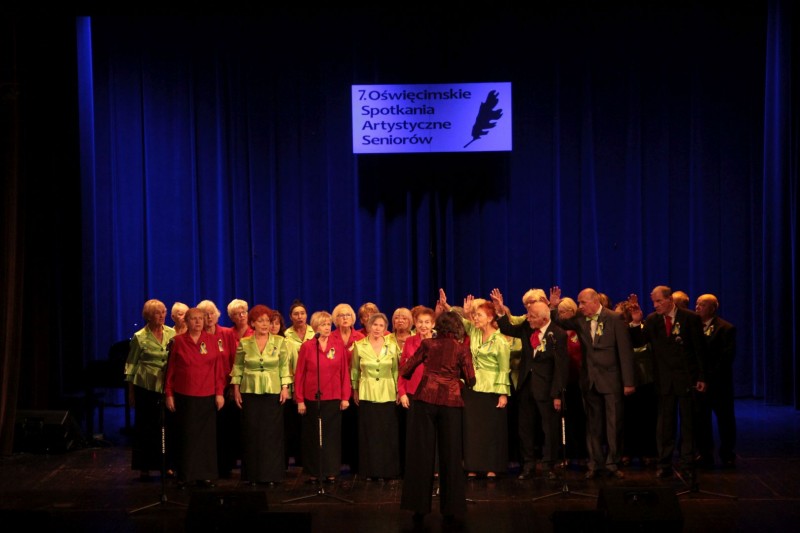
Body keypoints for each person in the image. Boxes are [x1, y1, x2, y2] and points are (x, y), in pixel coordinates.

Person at [549, 286, 636, 479]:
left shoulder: (614, 318)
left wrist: (628, 381)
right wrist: (553, 306)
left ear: (595, 301)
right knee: (592, 425)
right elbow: (560, 322)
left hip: (611, 380)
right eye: (578, 303)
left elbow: (625, 351)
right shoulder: (580, 319)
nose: (579, 306)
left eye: (583, 302)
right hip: (589, 380)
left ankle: (612, 463)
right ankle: (594, 463)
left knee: (614, 424)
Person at [399, 310, 476, 526]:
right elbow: (471, 380)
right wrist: (456, 379)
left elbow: (406, 370)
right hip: (451, 403)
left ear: (438, 327)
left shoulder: (428, 344)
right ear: (457, 328)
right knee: (451, 454)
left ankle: (418, 509)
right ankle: (451, 509)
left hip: (425, 400)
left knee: (421, 453)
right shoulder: (461, 348)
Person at [628, 286, 708, 479]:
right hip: (663, 380)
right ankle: (664, 463)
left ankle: (687, 463)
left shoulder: (690, 318)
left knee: (688, 423)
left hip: (686, 379)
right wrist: (636, 322)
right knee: (665, 424)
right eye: (653, 302)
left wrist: (702, 377)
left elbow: (700, 350)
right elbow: (639, 342)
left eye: (659, 301)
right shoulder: (653, 320)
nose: (655, 305)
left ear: (670, 299)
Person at [491, 289, 568, 481]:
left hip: (547, 389)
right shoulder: (527, 327)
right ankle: (528, 465)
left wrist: (557, 394)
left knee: (549, 429)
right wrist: (500, 311)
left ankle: (548, 465)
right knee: (525, 428)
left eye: (532, 316)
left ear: (544, 319)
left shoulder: (557, 334)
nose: (528, 318)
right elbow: (508, 329)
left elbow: (560, 368)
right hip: (526, 386)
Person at [442, 289, 511, 479]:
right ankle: (473, 465)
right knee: (472, 428)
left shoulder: (500, 340)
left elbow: (504, 369)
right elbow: (460, 321)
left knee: (490, 429)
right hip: (472, 387)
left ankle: (491, 466)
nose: (475, 318)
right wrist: (448, 306)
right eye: (474, 315)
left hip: (492, 389)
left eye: (479, 315)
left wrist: (503, 393)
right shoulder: (474, 331)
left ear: (490, 318)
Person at [229, 304, 292, 485]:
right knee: (252, 433)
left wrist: (285, 387)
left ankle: (272, 475)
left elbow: (284, 366)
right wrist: (236, 389)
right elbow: (238, 367)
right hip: (250, 392)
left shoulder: (279, 342)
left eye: (267, 321)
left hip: (273, 392)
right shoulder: (245, 343)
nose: (265, 324)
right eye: (260, 321)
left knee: (271, 434)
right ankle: (253, 476)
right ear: (252, 323)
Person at [164, 307, 226, 489]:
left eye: (201, 318)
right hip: (185, 396)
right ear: (186, 321)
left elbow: (219, 370)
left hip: (207, 396)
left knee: (206, 439)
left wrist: (219, 393)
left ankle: (205, 475)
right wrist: (169, 394)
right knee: (187, 437)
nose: (198, 322)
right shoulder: (177, 341)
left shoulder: (213, 340)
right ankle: (185, 476)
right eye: (194, 319)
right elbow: (171, 371)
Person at [294, 311, 351, 483]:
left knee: (331, 437)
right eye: (323, 325)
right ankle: (314, 471)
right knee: (313, 436)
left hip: (333, 397)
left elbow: (344, 372)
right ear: (315, 327)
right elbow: (300, 374)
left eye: (328, 324)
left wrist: (345, 397)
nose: (327, 328)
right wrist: (300, 400)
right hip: (312, 398)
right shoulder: (307, 346)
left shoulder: (337, 345)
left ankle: (331, 470)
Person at [124, 299, 177, 480]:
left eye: (163, 312)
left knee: (167, 426)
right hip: (145, 387)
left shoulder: (172, 333)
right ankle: (144, 466)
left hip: (166, 385)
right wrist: (131, 392)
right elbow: (131, 364)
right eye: (157, 313)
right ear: (148, 316)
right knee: (146, 426)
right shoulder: (139, 337)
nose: (161, 315)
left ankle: (166, 465)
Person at [351, 312, 401, 480]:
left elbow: (396, 370)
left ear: (385, 328)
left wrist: (398, 390)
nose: (378, 328)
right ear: (368, 326)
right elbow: (355, 370)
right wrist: (355, 389)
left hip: (387, 393)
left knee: (387, 433)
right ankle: (369, 471)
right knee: (369, 434)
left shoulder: (392, 345)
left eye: (381, 325)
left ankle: (388, 470)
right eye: (375, 325)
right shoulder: (359, 345)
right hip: (367, 392)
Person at [196, 299, 240, 478]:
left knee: (225, 429)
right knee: (206, 430)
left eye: (212, 313)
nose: (209, 317)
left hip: (225, 389)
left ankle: (224, 466)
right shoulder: (197, 336)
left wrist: (234, 386)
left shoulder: (227, 333)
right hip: (204, 389)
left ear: (217, 315)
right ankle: (206, 467)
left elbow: (235, 361)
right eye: (205, 314)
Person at [694, 293, 737, 468]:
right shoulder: (693, 326)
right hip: (699, 383)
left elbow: (726, 358)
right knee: (701, 420)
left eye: (702, 305)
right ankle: (705, 453)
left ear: (712, 308)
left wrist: (708, 378)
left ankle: (727, 453)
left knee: (725, 419)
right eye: (697, 304)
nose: (697, 307)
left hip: (719, 384)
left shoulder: (725, 328)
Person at [397, 306, 435, 476]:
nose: (423, 325)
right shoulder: (410, 342)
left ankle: (433, 468)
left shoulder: (440, 341)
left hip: (434, 393)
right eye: (420, 322)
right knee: (415, 433)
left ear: (433, 324)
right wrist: (402, 392)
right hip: (413, 393)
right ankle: (416, 468)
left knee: (432, 432)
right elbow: (403, 368)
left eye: (427, 322)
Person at [330, 302, 365, 475]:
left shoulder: (360, 338)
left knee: (353, 426)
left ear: (353, 318)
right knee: (336, 427)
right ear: (335, 320)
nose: (345, 318)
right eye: (341, 315)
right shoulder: (330, 337)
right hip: (334, 388)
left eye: (348, 315)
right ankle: (335, 462)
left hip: (354, 388)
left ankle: (354, 462)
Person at [554, 297, 588, 467]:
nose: (560, 315)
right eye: (558, 312)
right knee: (564, 420)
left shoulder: (579, 329)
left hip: (579, 380)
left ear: (572, 312)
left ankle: (582, 454)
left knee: (579, 418)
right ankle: (565, 455)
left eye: (563, 312)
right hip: (564, 381)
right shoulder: (557, 331)